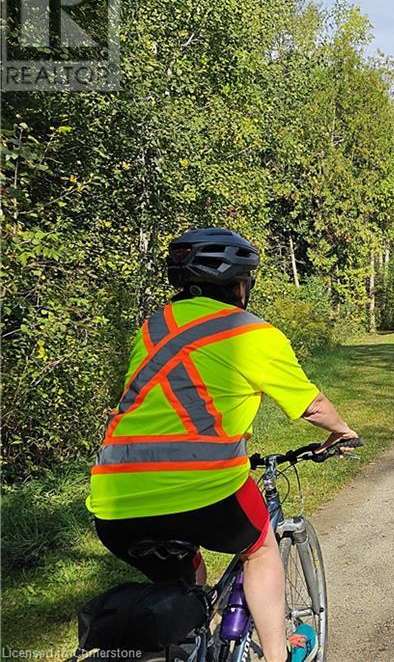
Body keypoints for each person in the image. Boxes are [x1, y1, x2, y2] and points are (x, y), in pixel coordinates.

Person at [86, 228, 358, 662]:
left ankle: (185, 644)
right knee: (261, 548)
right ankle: (276, 656)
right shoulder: (253, 333)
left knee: (180, 582)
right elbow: (311, 405)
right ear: (239, 285)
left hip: (114, 499)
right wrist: (342, 431)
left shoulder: (153, 327)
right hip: (206, 491)